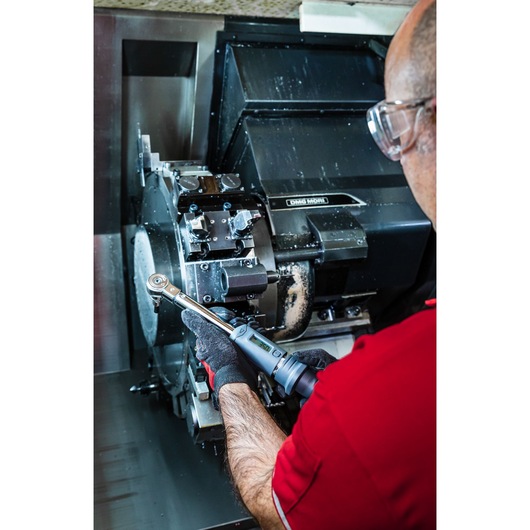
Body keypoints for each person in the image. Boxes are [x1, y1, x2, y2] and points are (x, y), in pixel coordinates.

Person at [182, 0, 436, 528]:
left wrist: (228, 375)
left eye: (392, 125)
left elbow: (273, 502)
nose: (393, 152)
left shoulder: (383, 403)